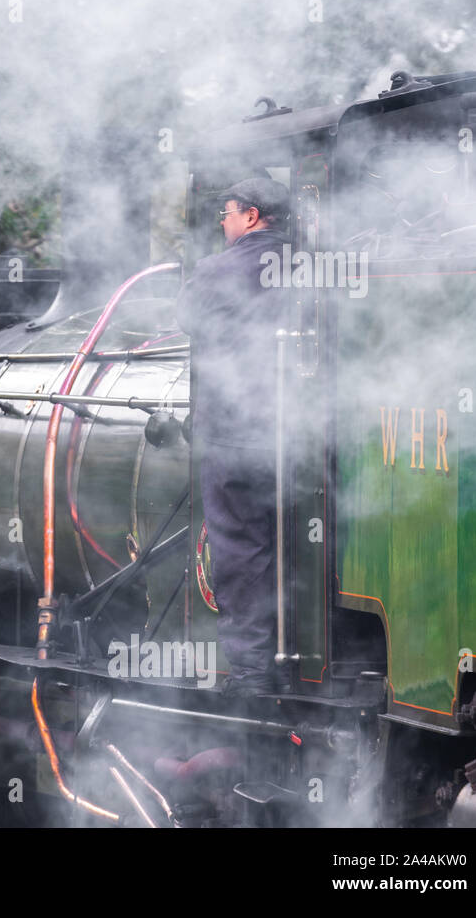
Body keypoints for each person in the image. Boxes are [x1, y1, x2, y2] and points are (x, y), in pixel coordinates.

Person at [175, 177, 292, 698]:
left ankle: (251, 673)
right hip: (301, 435)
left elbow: (187, 318)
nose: (222, 223)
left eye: (226, 214)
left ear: (250, 215)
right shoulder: (314, 265)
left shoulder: (219, 269)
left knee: (240, 548)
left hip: (235, 432)